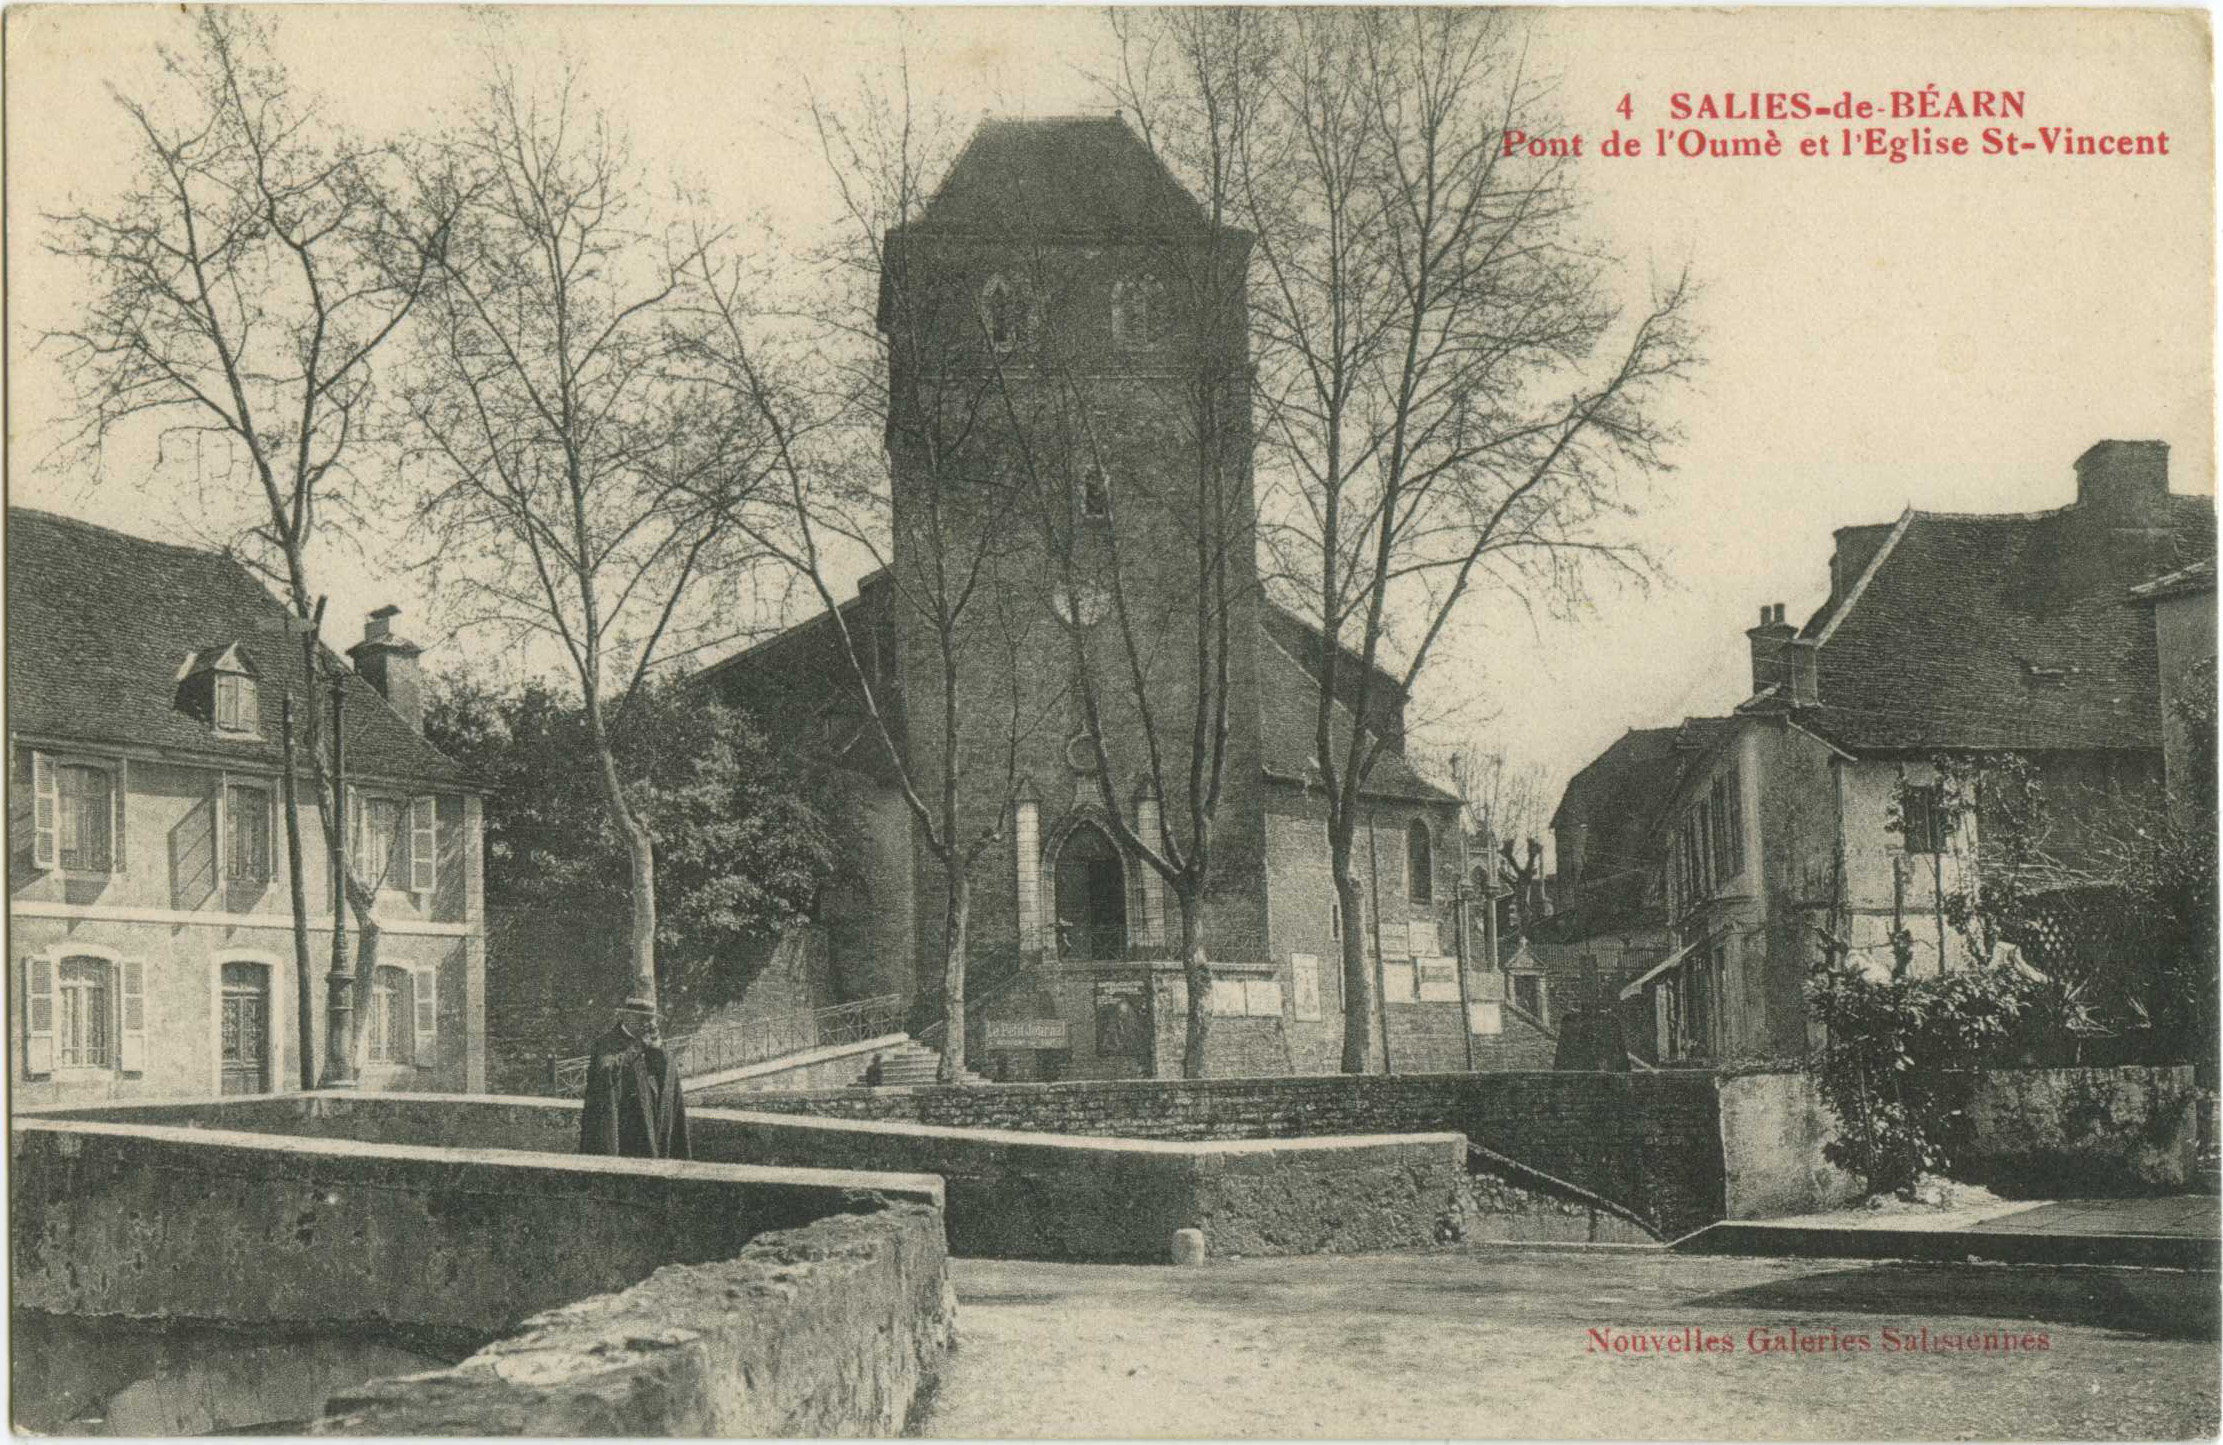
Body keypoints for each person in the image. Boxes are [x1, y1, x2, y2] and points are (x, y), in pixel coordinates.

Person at [578, 996, 690, 1159]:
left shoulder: (649, 1040)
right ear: (625, 1017)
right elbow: (607, 1071)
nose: (648, 1024)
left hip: (651, 1115)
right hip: (625, 1121)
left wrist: (658, 1048)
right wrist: (639, 1045)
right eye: (643, 1018)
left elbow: (667, 1074)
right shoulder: (608, 1042)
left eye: (651, 1019)